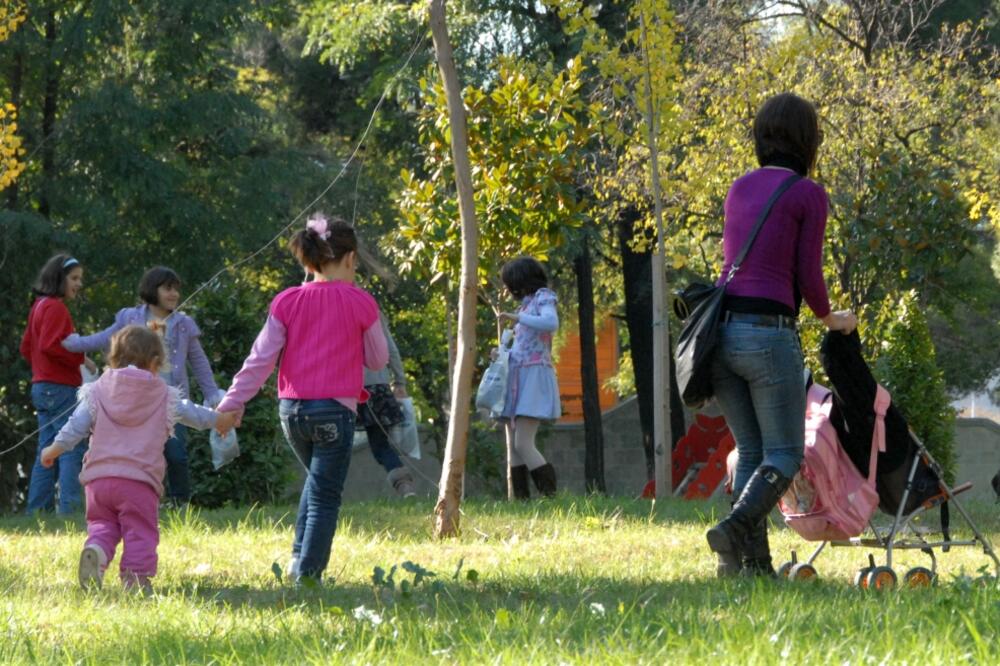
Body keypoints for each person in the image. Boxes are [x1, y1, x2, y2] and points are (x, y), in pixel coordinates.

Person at [705, 92, 857, 577]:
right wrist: (830, 316)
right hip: (767, 335)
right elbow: (808, 274)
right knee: (787, 453)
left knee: (751, 450)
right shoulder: (807, 193)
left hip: (720, 337)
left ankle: (751, 568)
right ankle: (733, 528)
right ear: (807, 140)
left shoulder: (738, 188)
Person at [216, 215, 388, 585]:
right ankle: (308, 578)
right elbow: (377, 360)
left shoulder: (286, 301)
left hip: (291, 411)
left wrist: (232, 402)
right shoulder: (361, 301)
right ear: (349, 259)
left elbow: (260, 359)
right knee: (326, 495)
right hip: (334, 412)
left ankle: (297, 559)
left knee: (316, 482)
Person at [40, 325, 234, 594]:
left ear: (113, 358)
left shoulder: (97, 390)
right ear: (155, 363)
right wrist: (220, 420)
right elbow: (193, 414)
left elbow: (76, 425)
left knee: (103, 526)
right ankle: (136, 580)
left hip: (98, 480)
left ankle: (95, 552)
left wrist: (53, 449)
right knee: (140, 531)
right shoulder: (163, 393)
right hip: (138, 482)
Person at [62, 266, 225, 506]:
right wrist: (75, 344)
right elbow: (104, 338)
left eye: (176, 290)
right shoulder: (130, 317)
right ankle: (144, 500)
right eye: (168, 289)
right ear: (152, 289)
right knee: (140, 456)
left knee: (176, 455)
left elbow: (199, 361)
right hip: (134, 400)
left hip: (169, 401)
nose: (174, 294)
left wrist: (212, 394)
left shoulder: (183, 324)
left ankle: (181, 503)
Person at [20, 253, 96, 514]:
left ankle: (36, 512)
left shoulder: (38, 306)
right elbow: (50, 345)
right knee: (70, 446)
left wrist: (42, 368)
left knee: (47, 450)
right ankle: (70, 512)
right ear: (59, 278)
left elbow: (26, 347)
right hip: (60, 387)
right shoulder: (55, 307)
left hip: (41, 387)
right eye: (74, 278)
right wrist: (80, 357)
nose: (78, 284)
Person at [495, 256, 560, 499]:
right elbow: (524, 347)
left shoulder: (543, 297)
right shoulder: (526, 305)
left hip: (534, 376)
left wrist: (517, 318)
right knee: (513, 446)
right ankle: (521, 503)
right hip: (518, 376)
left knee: (523, 442)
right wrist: (502, 353)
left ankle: (551, 497)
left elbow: (551, 323)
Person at [358, 314, 416, 498]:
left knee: (335, 448)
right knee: (381, 445)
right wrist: (400, 381)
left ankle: (325, 496)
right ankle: (404, 486)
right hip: (378, 386)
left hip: (345, 389)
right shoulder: (371, 312)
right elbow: (391, 349)